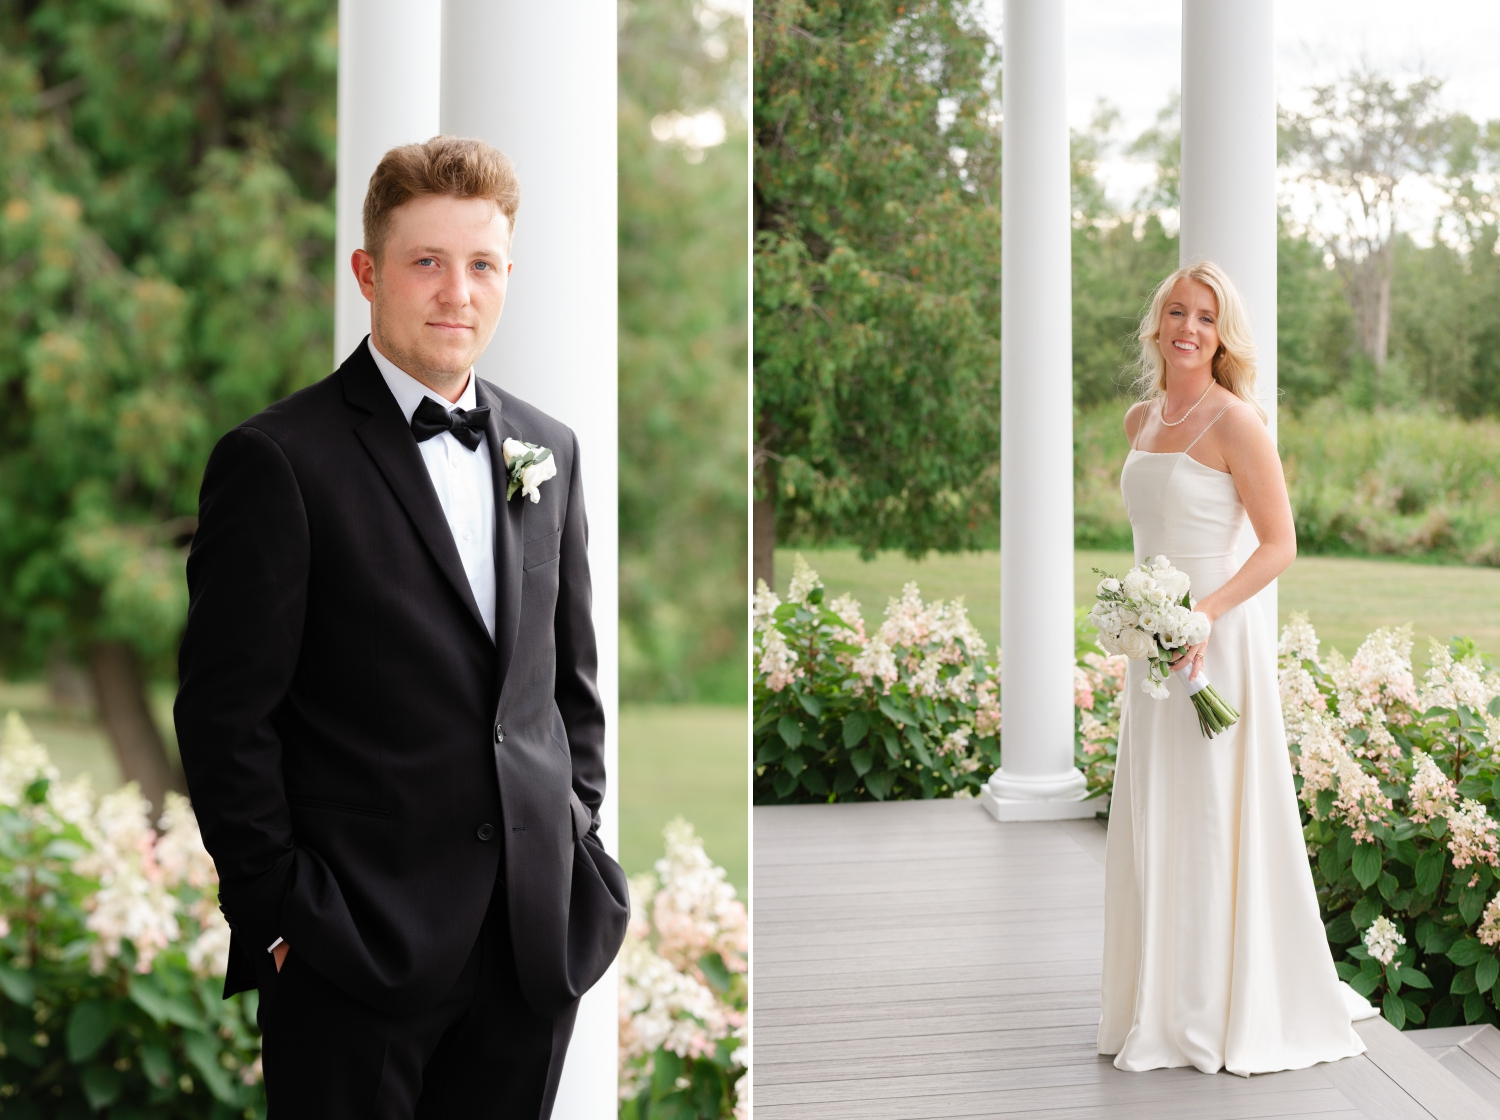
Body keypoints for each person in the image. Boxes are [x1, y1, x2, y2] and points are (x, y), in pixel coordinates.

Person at [174, 135, 629, 1118]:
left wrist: (578, 840)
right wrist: (281, 916)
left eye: (481, 264)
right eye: (427, 261)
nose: (456, 291)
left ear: (508, 274)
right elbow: (224, 717)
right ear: (369, 273)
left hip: (527, 949)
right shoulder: (277, 461)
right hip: (352, 954)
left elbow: (568, 686)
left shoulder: (550, 449)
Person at [1097, 261, 1375, 1076]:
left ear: (1223, 335)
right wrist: (1137, 612)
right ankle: (1161, 999)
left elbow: (1280, 544)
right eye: (1177, 313)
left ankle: (1217, 1009)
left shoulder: (1236, 421)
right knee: (1159, 814)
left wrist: (1204, 616)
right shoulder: (1139, 420)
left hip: (1212, 645)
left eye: (1207, 318)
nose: (1189, 328)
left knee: (1213, 815)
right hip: (1154, 651)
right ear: (1158, 324)